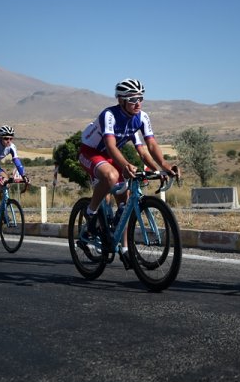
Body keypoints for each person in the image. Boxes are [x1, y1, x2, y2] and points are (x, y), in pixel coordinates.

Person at [77, 78, 179, 265]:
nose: (137, 102)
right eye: (132, 99)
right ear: (121, 100)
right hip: (91, 152)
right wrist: (125, 165)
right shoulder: (109, 115)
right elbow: (109, 145)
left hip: (110, 156)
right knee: (112, 175)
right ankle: (90, 213)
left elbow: (146, 148)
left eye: (140, 97)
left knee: (125, 201)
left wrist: (162, 168)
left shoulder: (140, 117)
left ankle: (124, 248)